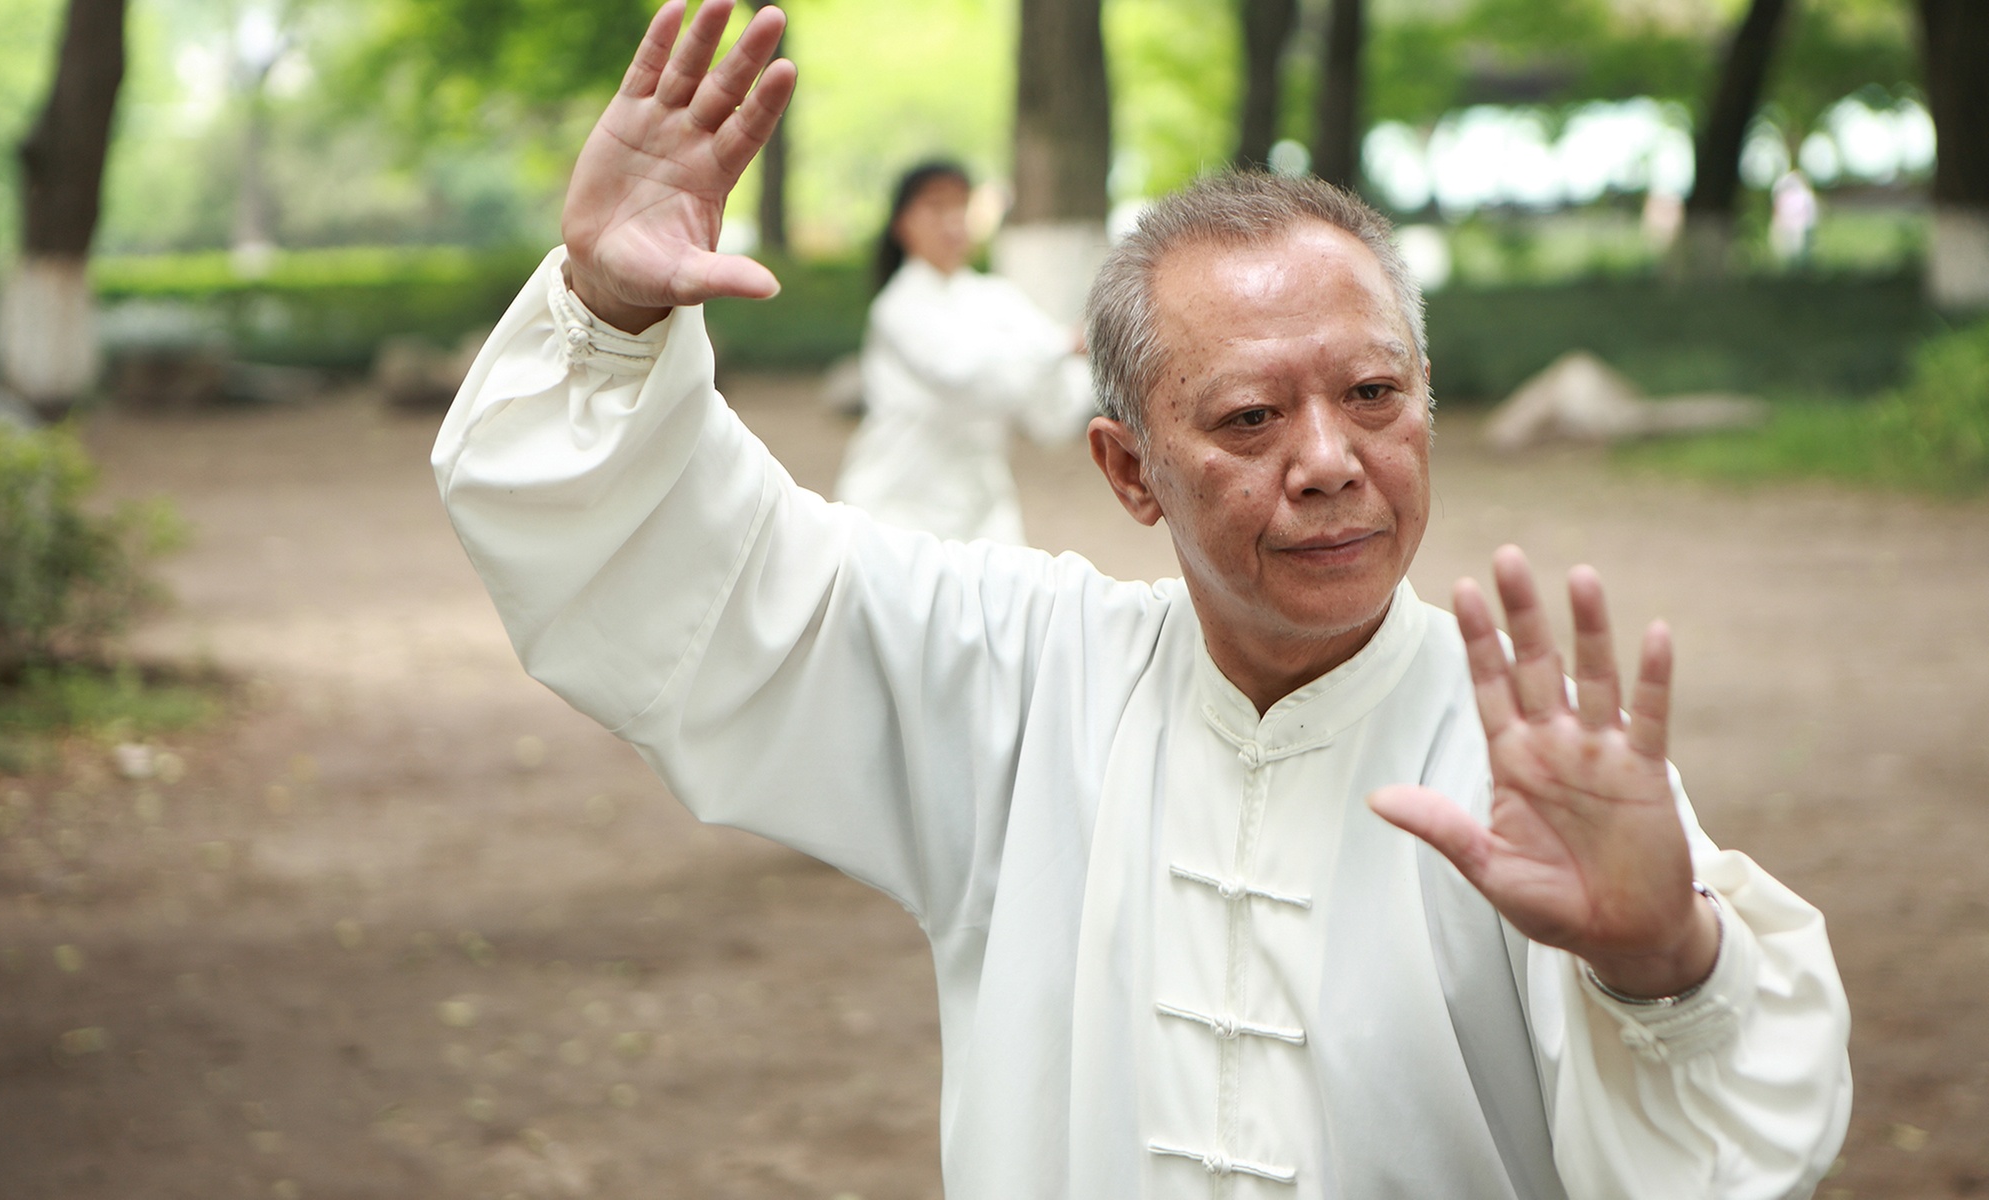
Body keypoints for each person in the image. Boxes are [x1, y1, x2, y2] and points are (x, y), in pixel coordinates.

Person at [433, 3, 1852, 1196]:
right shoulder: (1017, 680)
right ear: (1129, 471)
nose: (1326, 464)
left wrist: (1667, 966)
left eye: (1373, 397)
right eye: (1246, 418)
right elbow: (703, 581)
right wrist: (607, 312)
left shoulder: (1531, 765)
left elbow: (1741, 1146)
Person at [833, 160, 1092, 544]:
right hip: (896, 512)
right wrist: (1062, 345)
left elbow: (1053, 415)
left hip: (981, 514)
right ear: (903, 224)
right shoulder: (900, 306)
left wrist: (1097, 364)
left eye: (961, 207)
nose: (953, 222)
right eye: (936, 208)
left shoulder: (996, 299)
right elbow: (963, 372)